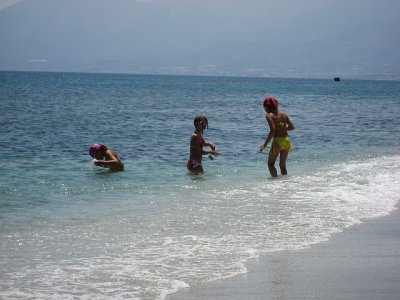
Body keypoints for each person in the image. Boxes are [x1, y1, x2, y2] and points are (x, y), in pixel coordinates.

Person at [259, 96, 295, 177]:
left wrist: (265, 145)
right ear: (276, 105)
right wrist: (283, 128)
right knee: (282, 165)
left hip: (277, 142)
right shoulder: (284, 115)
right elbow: (292, 127)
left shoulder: (269, 116)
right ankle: (285, 182)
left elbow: (273, 130)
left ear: (266, 107)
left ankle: (275, 184)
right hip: (286, 141)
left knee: (271, 164)